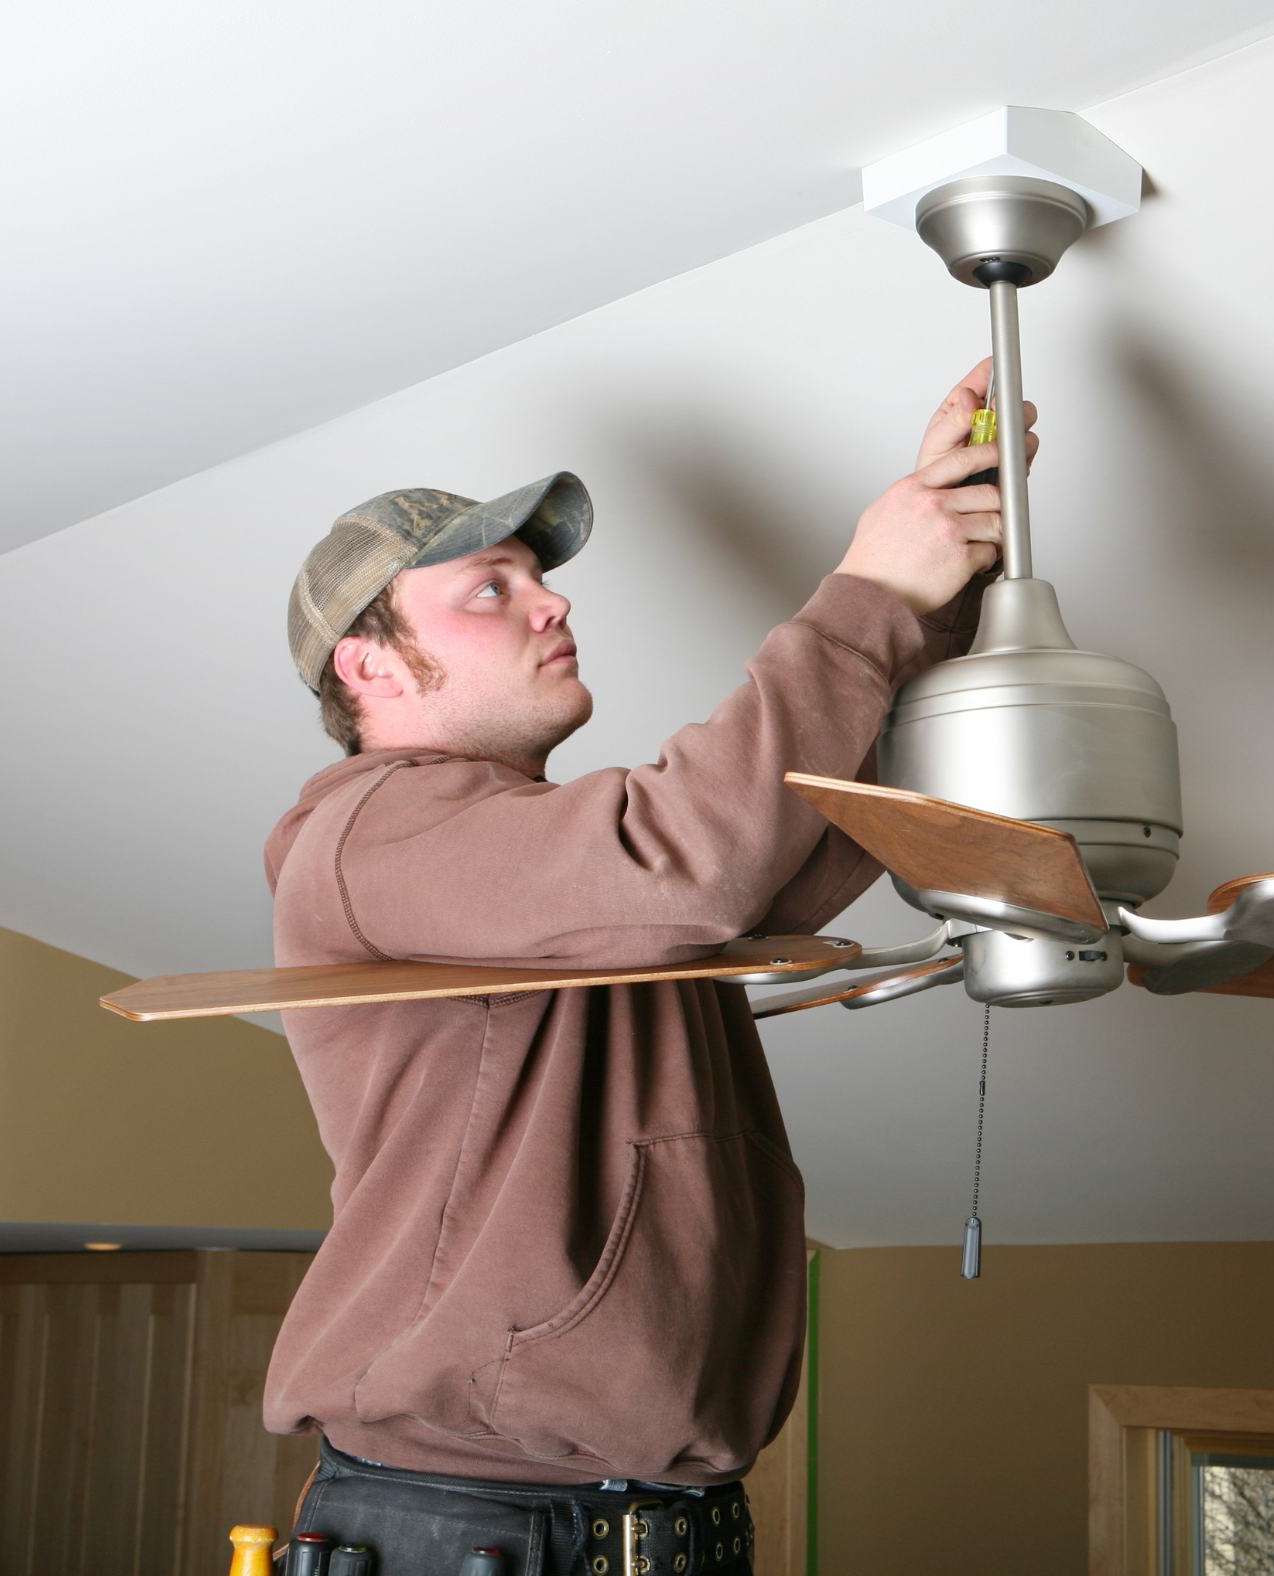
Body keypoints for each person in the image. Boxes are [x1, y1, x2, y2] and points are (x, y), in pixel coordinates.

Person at [264, 363, 1033, 1574]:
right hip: (473, 1526)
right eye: (490, 587)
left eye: (538, 578)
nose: (550, 602)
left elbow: (802, 838)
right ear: (370, 667)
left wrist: (938, 581)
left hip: (645, 1520)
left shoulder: (545, 870)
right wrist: (868, 592)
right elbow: (692, 863)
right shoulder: (368, 832)